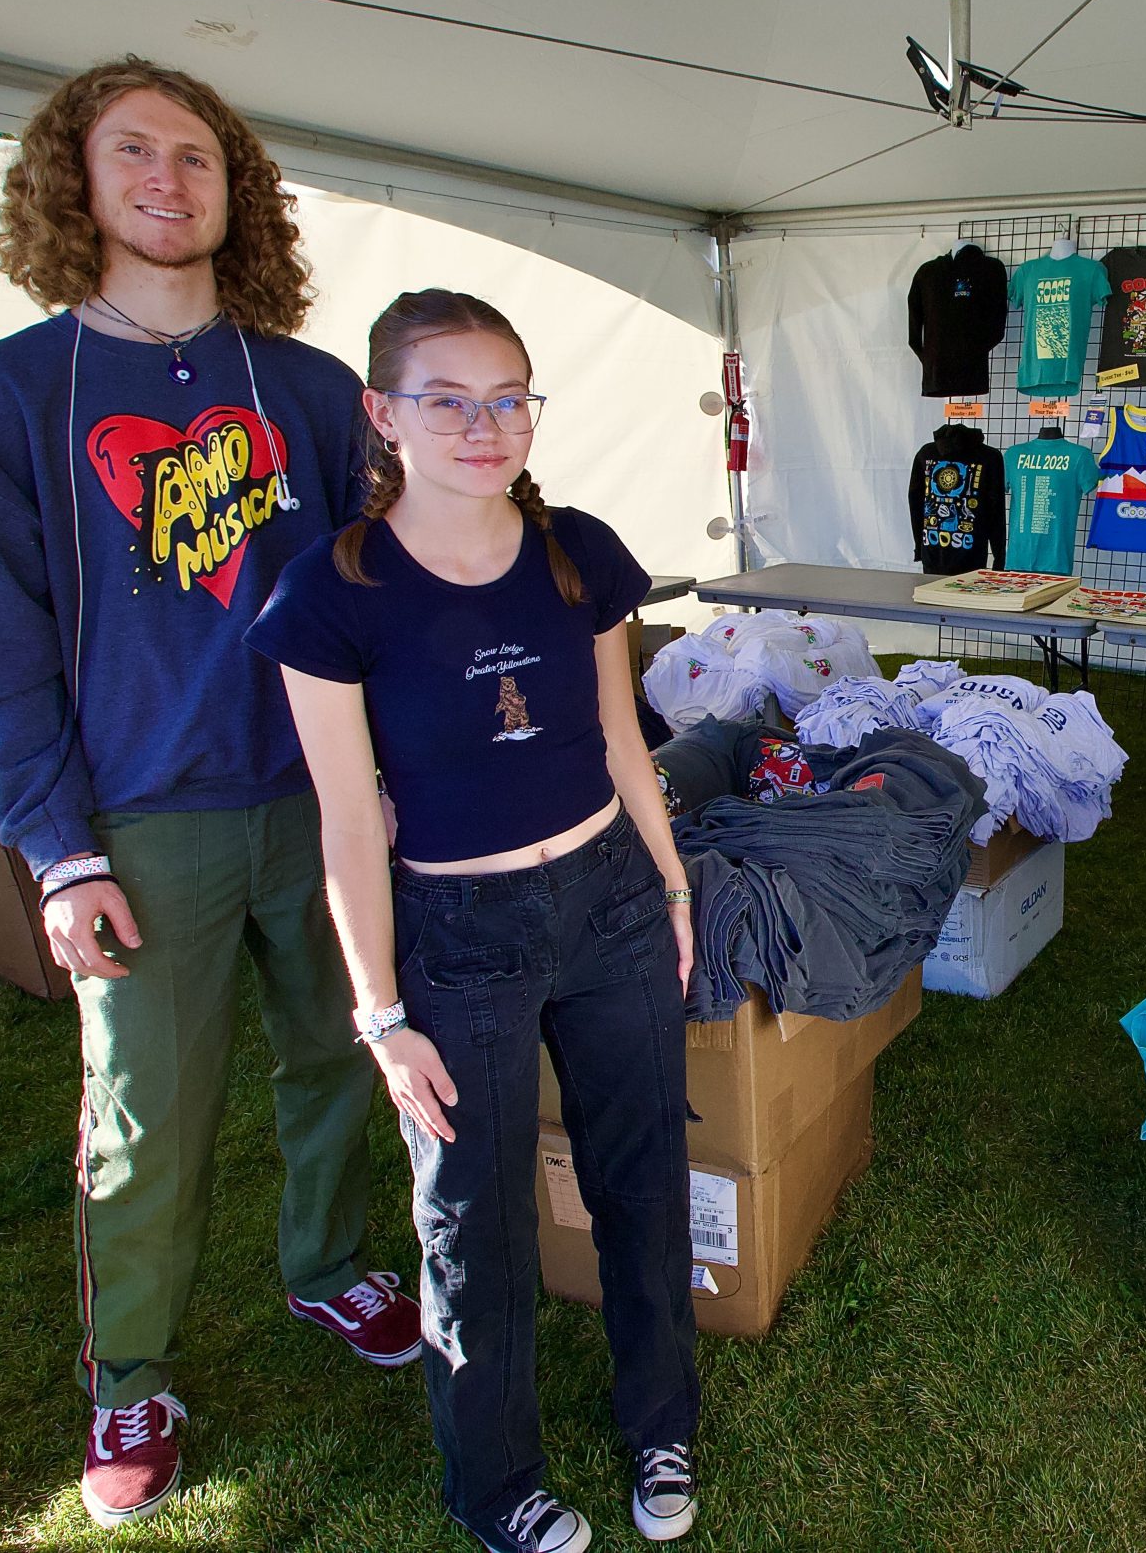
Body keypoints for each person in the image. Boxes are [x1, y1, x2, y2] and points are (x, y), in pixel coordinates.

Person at [0, 58, 418, 1528]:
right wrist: (58, 849)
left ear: (235, 188)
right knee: (149, 1111)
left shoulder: (312, 386)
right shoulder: (14, 392)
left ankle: (333, 1271)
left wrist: (392, 777)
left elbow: (374, 595)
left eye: (196, 157)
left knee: (346, 1054)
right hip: (142, 820)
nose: (166, 180)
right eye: (131, 152)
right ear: (72, 185)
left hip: (318, 801)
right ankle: (129, 1374)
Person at [246, 290, 702, 1551]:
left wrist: (668, 886)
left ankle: (660, 1417)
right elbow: (346, 821)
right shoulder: (329, 594)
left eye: (508, 396)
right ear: (383, 415)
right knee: (473, 1223)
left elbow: (621, 739)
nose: (483, 424)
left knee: (641, 1177)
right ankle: (495, 1481)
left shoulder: (581, 551)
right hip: (457, 933)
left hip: (608, 900)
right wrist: (380, 1014)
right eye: (446, 398)